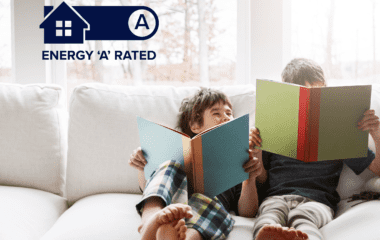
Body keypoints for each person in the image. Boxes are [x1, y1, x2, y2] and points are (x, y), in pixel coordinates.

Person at [250, 58, 380, 240]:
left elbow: (377, 168)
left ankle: (306, 236)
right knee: (269, 214)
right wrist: (256, 152)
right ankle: (267, 233)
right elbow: (262, 179)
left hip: (318, 200)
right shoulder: (273, 126)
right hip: (276, 196)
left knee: (305, 217)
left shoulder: (338, 129)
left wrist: (376, 133)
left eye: (317, 90)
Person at [129, 88, 270, 240]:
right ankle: (150, 222)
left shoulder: (238, 159)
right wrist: (143, 166)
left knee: (212, 206)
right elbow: (147, 187)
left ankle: (180, 237)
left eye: (229, 113)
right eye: (216, 113)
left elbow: (246, 212)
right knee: (169, 166)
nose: (226, 118)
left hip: (207, 204)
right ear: (195, 125)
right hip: (173, 199)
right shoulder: (179, 152)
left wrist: (248, 180)